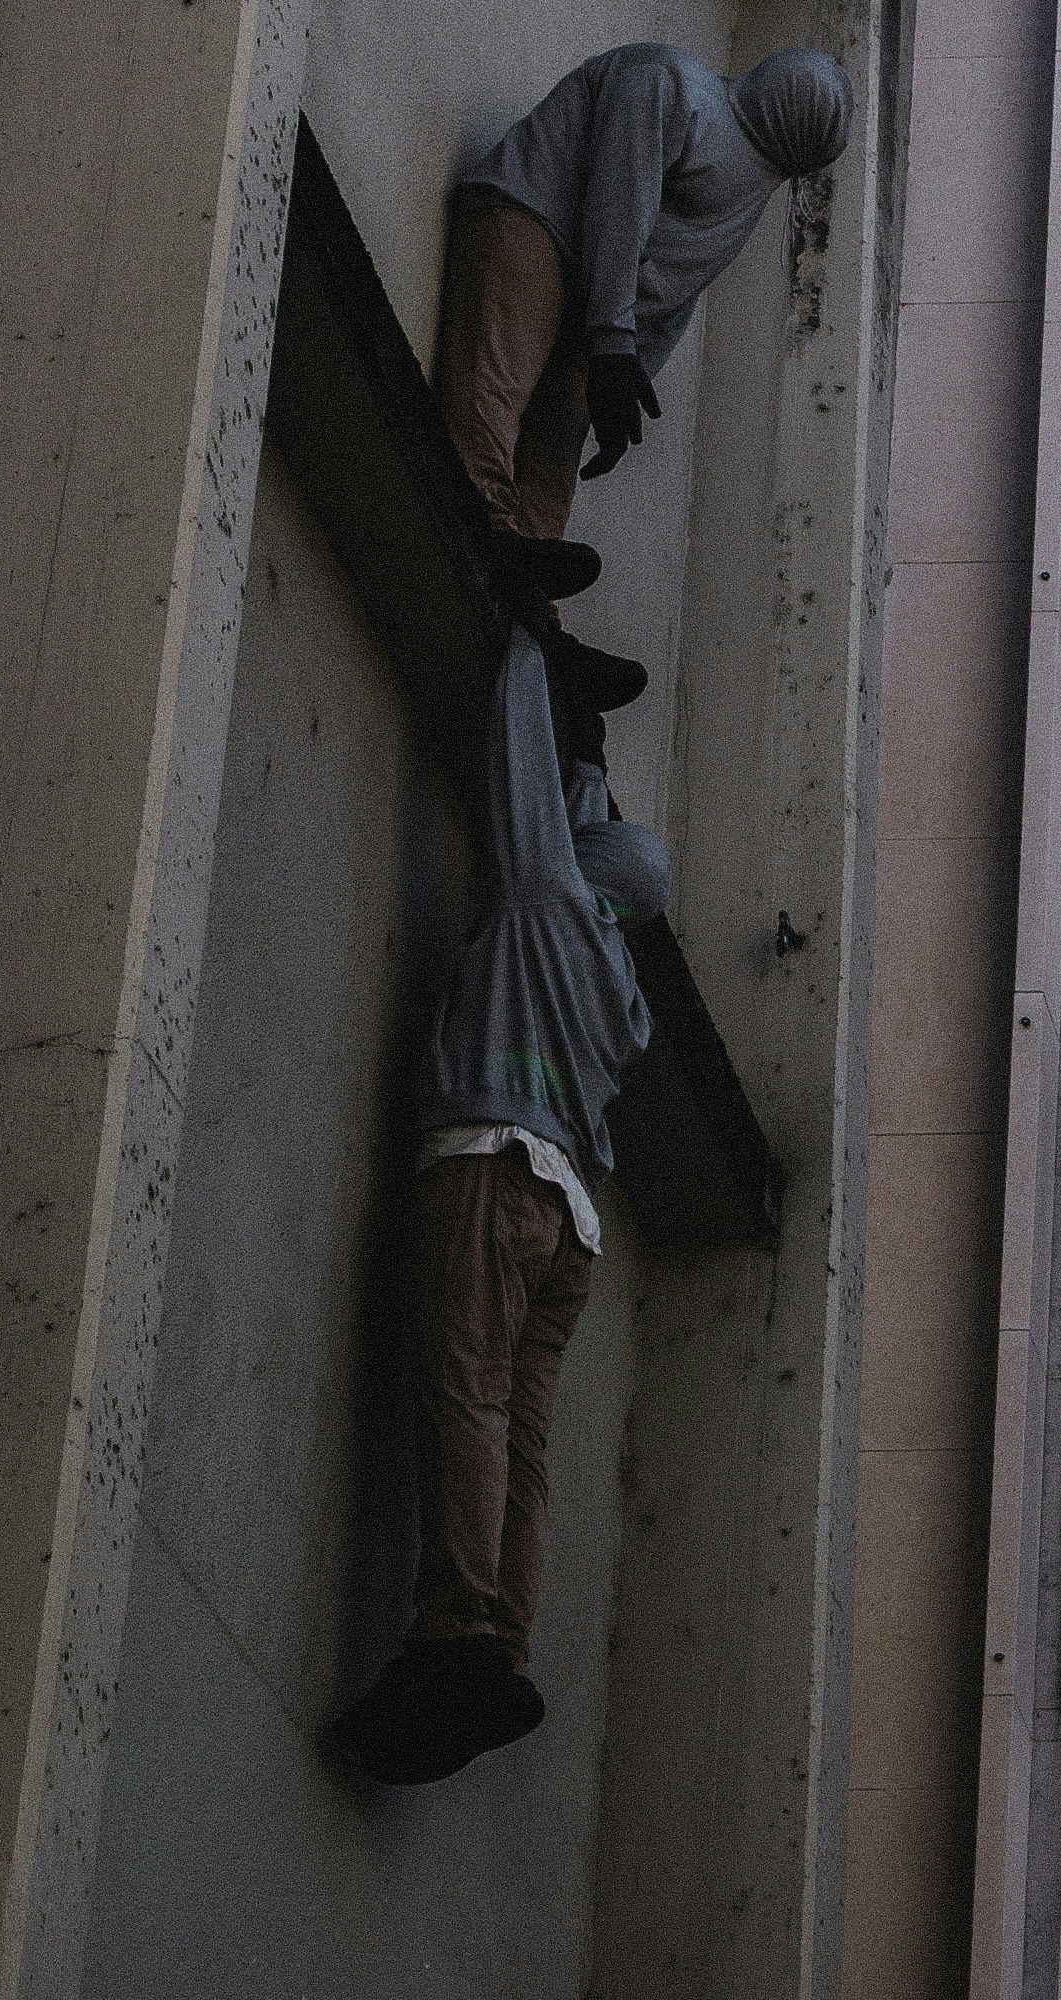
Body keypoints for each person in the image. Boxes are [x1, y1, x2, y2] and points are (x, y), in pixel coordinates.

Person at [334, 625, 669, 1787]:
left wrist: (525, 643)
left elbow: (523, 785)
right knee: (524, 1440)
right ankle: (504, 1651)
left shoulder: (541, 903)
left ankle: (457, 1633)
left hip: (491, 1172)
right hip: (568, 1225)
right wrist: (594, 748)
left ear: (585, 868)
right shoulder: (621, 984)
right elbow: (579, 825)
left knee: (464, 1397)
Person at [436, 42, 853, 594]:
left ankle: (532, 610)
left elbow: (675, 291)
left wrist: (624, 380)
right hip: (536, 215)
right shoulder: (668, 81)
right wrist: (614, 346)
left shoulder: (750, 189)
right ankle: (484, 529)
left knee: (557, 443)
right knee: (493, 386)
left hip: (601, 308)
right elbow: (618, 202)